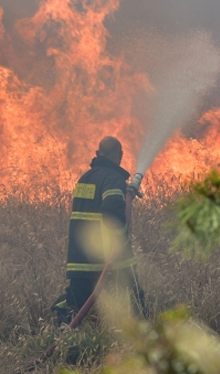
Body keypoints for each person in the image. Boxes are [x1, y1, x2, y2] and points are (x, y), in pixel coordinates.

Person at [51, 136, 146, 326]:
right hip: (108, 258)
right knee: (135, 299)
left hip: (80, 257)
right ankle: (142, 337)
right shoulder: (113, 179)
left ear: (97, 154)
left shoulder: (85, 178)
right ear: (120, 155)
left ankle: (63, 330)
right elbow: (111, 209)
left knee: (76, 302)